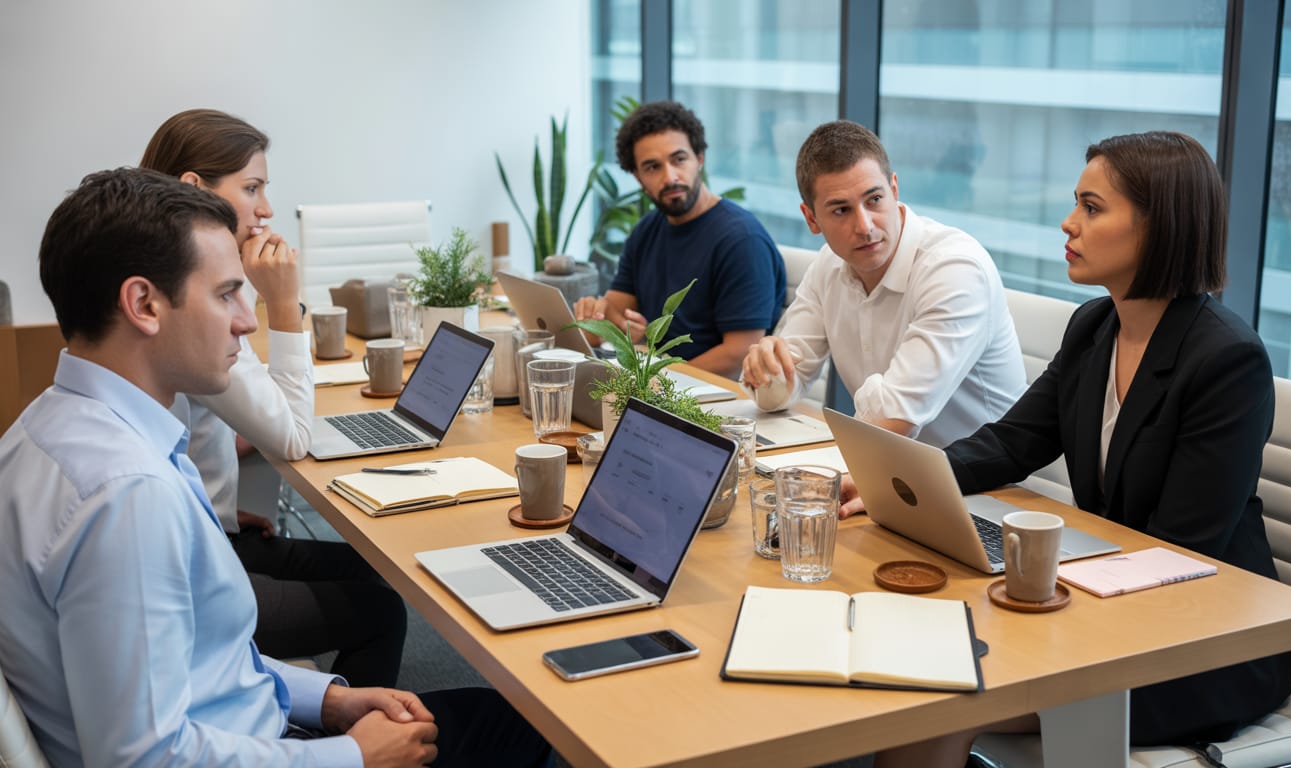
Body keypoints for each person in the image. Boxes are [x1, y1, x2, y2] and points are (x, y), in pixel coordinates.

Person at [0, 168, 549, 767]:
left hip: (255, 730)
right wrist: (351, 758)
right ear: (143, 304)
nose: (247, 319)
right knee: (525, 730)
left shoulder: (41, 430)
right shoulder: (127, 496)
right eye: (225, 293)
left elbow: (208, 660)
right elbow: (145, 759)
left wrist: (327, 702)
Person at [865, 131, 1291, 767]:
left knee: (932, 705)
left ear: (1160, 226)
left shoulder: (1227, 360)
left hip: (1201, 642)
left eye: (1092, 208)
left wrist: (1039, 585)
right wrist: (901, 481)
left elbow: (1183, 547)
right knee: (913, 669)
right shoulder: (1094, 326)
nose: (1068, 222)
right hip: (1106, 610)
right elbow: (1015, 441)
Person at [141, 109, 407, 687]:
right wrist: (284, 305)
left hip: (207, 529)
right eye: (252, 188)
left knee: (373, 567)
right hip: (195, 566)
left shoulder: (158, 269)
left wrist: (217, 506)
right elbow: (293, 436)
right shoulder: (187, 303)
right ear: (194, 190)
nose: (265, 209)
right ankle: (355, 740)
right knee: (383, 605)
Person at [741, 120, 1025, 458]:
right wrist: (766, 370)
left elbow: (894, 417)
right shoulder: (829, 265)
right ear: (812, 219)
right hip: (892, 469)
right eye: (841, 210)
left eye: (874, 199)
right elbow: (785, 383)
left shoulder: (955, 269)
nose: (864, 226)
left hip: (990, 490)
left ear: (894, 189)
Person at [573, 100, 786, 378]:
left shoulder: (742, 241)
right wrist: (597, 316)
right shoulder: (646, 230)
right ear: (638, 177)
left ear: (699, 158)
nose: (670, 177)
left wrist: (659, 380)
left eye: (679, 159)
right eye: (652, 167)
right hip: (657, 389)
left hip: (714, 399)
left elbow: (739, 352)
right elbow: (615, 312)